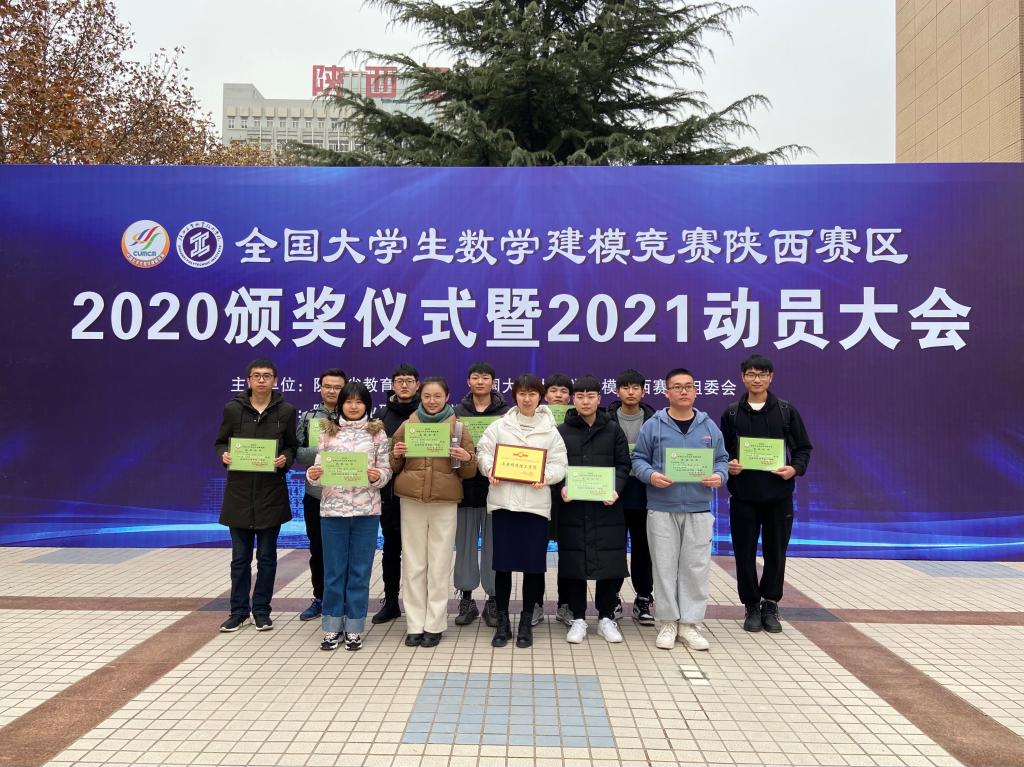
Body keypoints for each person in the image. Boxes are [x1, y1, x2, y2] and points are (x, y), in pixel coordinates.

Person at [631, 368, 728, 651]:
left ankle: (690, 624)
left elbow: (722, 459)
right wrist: (651, 475)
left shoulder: (709, 427)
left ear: (696, 391)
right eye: (677, 387)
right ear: (667, 392)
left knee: (695, 568)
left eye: (688, 386)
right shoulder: (653, 426)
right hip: (661, 507)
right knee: (664, 567)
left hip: (698, 509)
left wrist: (720, 475)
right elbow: (638, 459)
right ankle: (668, 622)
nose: (683, 391)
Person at [719, 353, 812, 634]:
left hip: (778, 497)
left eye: (762, 374)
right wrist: (729, 464)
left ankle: (770, 604)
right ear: (743, 377)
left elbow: (803, 448)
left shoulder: (785, 411)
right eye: (751, 374)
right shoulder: (732, 413)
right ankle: (751, 605)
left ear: (771, 377)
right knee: (743, 553)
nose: (756, 379)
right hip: (743, 497)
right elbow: (722, 453)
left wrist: (794, 469)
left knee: (776, 552)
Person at [476, 374, 568, 649]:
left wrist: (545, 477)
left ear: (540, 397)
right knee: (502, 566)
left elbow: (559, 464)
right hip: (504, 504)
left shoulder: (551, 431)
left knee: (533, 567)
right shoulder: (499, 426)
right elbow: (483, 453)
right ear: (514, 395)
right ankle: (503, 622)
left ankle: (526, 621)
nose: (527, 399)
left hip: (535, 507)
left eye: (532, 394)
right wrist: (489, 469)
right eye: (522, 394)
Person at [390, 377, 478, 648]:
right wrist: (397, 454)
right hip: (412, 500)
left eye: (437, 396)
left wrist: (467, 458)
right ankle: (414, 624)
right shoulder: (408, 426)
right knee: (413, 564)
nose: (431, 401)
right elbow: (393, 465)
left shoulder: (458, 427)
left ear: (447, 397)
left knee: (439, 564)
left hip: (444, 501)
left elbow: (469, 472)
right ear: (421, 396)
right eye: (427, 396)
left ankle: (435, 624)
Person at [305, 381, 392, 651]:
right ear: (341, 404)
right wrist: (313, 475)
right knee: (334, 571)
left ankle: (354, 627)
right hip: (333, 511)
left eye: (359, 401)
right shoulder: (328, 432)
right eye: (348, 401)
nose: (353, 406)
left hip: (367, 512)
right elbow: (318, 469)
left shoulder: (377, 433)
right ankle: (331, 626)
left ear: (367, 405)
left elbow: (386, 469)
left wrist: (378, 477)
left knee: (359, 572)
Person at [214, 358, 298, 633]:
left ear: (275, 380)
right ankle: (238, 612)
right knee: (240, 559)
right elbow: (220, 442)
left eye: (267, 376)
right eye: (257, 376)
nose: (262, 380)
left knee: (267, 558)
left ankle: (261, 610)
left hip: (270, 494)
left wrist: (284, 459)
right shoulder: (233, 409)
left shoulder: (286, 410)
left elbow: (292, 446)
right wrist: (224, 455)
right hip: (239, 495)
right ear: (248, 381)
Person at [556, 375, 631, 644]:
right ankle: (578, 618)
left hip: (607, 509)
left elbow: (623, 464)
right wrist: (562, 487)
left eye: (590, 396)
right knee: (574, 563)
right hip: (573, 509)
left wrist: (616, 489)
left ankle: (606, 618)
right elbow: (555, 465)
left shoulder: (613, 430)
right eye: (580, 396)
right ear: (573, 400)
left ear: (599, 399)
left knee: (610, 563)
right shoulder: (561, 431)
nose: (585, 401)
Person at [452, 362, 508, 628]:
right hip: (464, 491)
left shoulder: (506, 414)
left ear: (493, 382)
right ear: (468, 382)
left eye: (486, 377)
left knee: (495, 548)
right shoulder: (456, 413)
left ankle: (494, 600)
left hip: (497, 491)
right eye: (476, 377)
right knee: (464, 547)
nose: (481, 382)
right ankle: (466, 599)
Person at [294, 367, 348, 622]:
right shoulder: (308, 417)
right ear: (320, 388)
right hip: (316, 494)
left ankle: (344, 599)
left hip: (347, 494)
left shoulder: (355, 416)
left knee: (345, 550)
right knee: (318, 548)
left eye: (338, 387)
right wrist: (327, 448)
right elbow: (298, 454)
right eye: (328, 386)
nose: (332, 391)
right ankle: (320, 597)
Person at [369, 364, 421, 624]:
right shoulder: (380, 416)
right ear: (392, 385)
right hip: (390, 494)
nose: (404, 385)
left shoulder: (426, 413)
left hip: (418, 493)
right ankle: (391, 601)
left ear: (417, 385)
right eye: (400, 380)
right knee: (391, 550)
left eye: (409, 380)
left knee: (418, 553)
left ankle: (418, 604)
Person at [607, 369, 657, 626]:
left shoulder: (655, 420)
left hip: (645, 495)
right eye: (625, 387)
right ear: (617, 391)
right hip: (613, 495)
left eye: (635, 388)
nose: (630, 392)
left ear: (643, 392)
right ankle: (612, 597)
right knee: (613, 549)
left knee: (643, 550)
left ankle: (643, 598)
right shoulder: (606, 419)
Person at [542, 373, 573, 627]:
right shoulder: (536, 419)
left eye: (563, 391)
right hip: (539, 490)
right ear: (545, 395)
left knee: (569, 552)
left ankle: (566, 604)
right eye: (554, 390)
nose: (558, 395)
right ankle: (535, 604)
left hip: (569, 494)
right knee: (535, 550)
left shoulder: (577, 420)